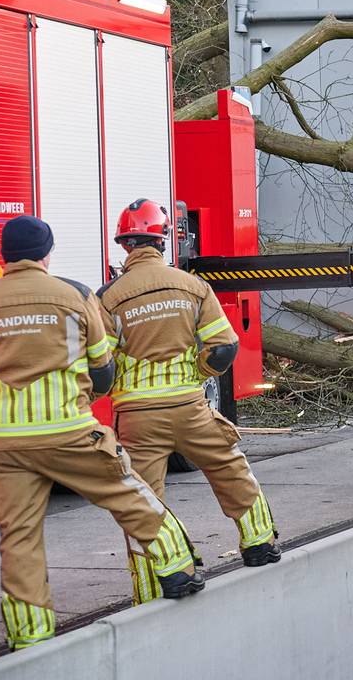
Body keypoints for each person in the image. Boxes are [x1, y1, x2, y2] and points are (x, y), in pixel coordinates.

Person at [0, 215, 203, 650]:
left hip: (4, 442)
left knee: (19, 534)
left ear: (5, 256)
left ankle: (31, 637)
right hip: (69, 430)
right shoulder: (75, 295)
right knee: (128, 492)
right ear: (47, 253)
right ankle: (177, 568)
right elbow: (103, 368)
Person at [97, 199, 279, 603]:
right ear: (163, 239)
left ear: (124, 245)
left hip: (138, 418)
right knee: (229, 466)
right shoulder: (194, 286)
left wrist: (118, 390)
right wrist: (194, 374)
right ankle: (259, 544)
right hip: (190, 407)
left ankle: (153, 588)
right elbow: (225, 349)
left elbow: (102, 369)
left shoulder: (108, 297)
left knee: (140, 499)